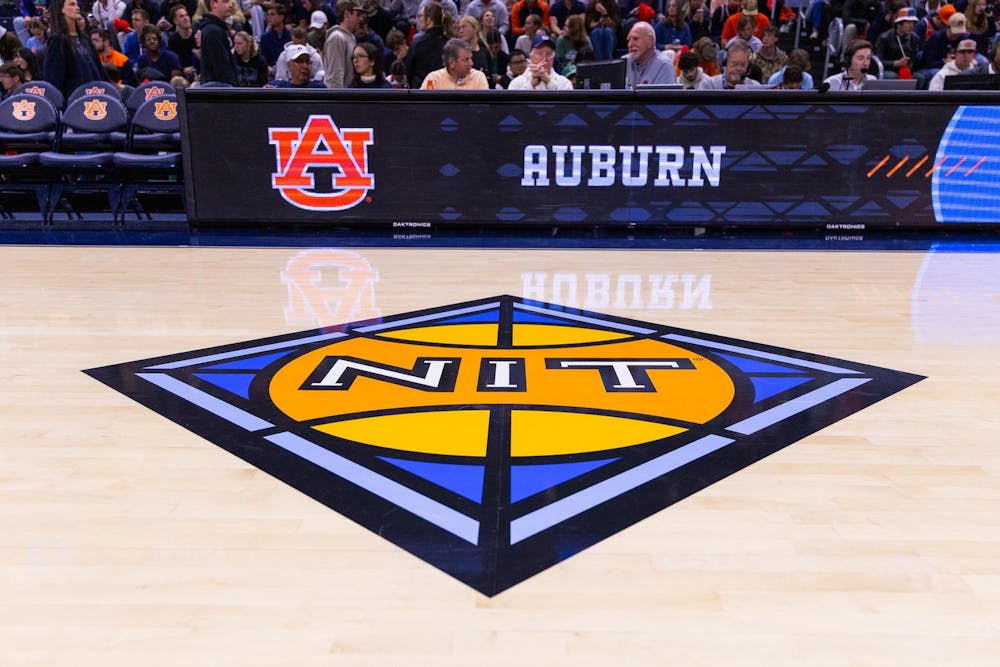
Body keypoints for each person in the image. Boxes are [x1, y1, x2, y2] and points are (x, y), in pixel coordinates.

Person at [43, 0, 112, 98]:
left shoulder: (85, 39)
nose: (77, 7)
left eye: (77, 4)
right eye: (72, 4)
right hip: (75, 99)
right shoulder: (57, 40)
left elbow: (99, 70)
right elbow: (54, 78)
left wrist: (109, 91)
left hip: (96, 96)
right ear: (61, 9)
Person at [406, 1, 451, 90]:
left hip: (421, 93)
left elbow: (409, 73)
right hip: (445, 92)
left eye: (421, 16)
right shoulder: (450, 43)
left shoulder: (417, 44)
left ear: (429, 19)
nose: (419, 19)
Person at [507, 32, 573, 89]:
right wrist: (531, 84)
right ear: (531, 56)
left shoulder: (564, 82)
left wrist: (549, 82)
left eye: (548, 53)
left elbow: (565, 100)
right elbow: (514, 100)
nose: (544, 58)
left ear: (553, 57)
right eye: (539, 53)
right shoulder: (516, 83)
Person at [420, 36, 489, 88]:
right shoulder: (432, 79)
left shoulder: (479, 78)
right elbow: (425, 102)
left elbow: (485, 103)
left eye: (471, 58)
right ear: (452, 63)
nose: (471, 63)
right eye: (466, 60)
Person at [625, 21, 677, 88]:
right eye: (628, 40)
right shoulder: (624, 62)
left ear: (650, 41)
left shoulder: (664, 65)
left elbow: (666, 95)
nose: (630, 45)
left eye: (635, 39)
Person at [324, 0, 361, 88]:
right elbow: (335, 75)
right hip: (340, 94)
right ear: (347, 14)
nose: (360, 19)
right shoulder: (337, 37)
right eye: (357, 15)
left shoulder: (351, 37)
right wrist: (338, 95)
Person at [875, 7, 920, 79]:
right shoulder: (884, 38)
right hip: (889, 69)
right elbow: (878, 61)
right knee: (892, 76)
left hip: (907, 69)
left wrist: (909, 64)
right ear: (899, 24)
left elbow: (914, 58)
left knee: (920, 78)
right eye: (908, 22)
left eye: (912, 23)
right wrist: (895, 63)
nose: (911, 26)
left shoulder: (914, 38)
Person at [199, 0, 237, 85]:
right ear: (213, 4)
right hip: (218, 90)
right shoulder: (213, 31)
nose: (230, 5)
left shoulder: (216, 29)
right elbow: (221, 68)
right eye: (225, 1)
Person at [457, 15, 492, 82]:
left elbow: (490, 78)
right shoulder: (458, 53)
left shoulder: (485, 52)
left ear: (475, 28)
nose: (461, 31)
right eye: (459, 28)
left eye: (464, 27)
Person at [260, 3, 292, 68]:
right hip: (271, 70)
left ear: (281, 17)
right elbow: (263, 59)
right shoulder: (265, 37)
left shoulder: (290, 35)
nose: (269, 17)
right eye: (268, 14)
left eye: (272, 14)